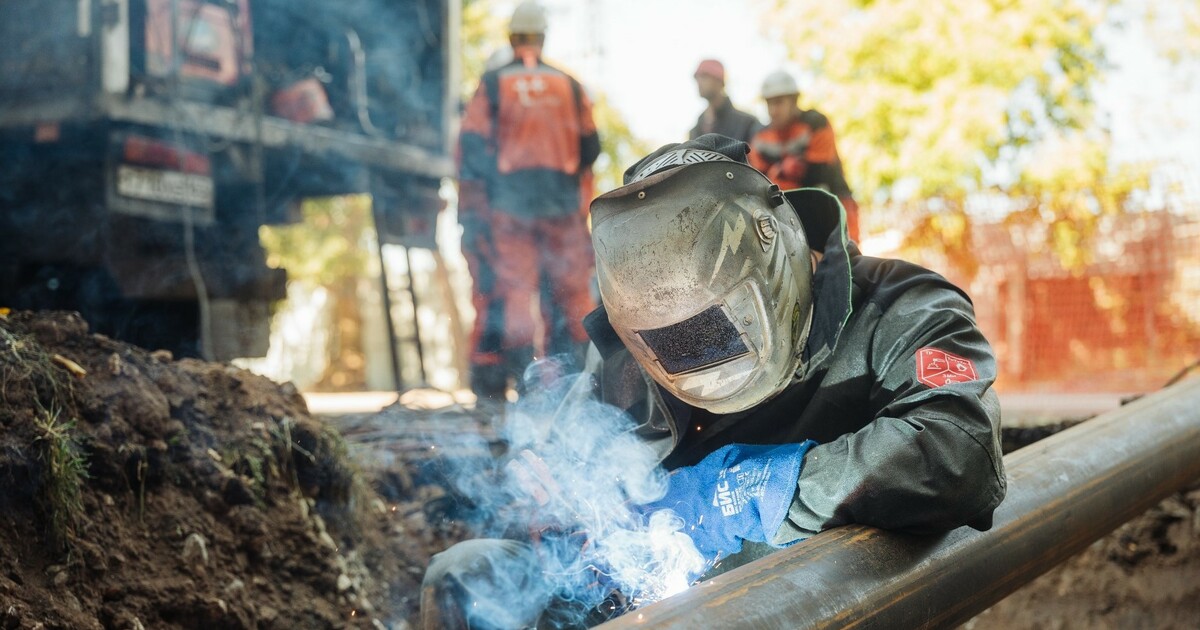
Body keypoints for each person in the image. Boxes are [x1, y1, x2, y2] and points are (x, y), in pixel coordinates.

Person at [422, 134, 1006, 628]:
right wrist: (560, 491)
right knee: (464, 578)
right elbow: (572, 448)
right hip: (659, 587)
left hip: (808, 592)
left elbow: (960, 449)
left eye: (712, 330)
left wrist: (744, 493)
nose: (696, 357)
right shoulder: (630, 340)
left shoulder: (901, 305)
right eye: (670, 342)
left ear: (771, 248)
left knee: (740, 575)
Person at [458, 1, 601, 398]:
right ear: (542, 36)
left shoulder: (492, 83)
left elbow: (471, 146)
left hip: (512, 210)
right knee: (572, 296)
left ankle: (527, 390)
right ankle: (583, 389)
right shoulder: (569, 84)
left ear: (511, 37)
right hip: (562, 210)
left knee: (516, 295)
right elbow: (591, 147)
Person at [749, 70, 861, 242]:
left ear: (794, 101)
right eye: (769, 104)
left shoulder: (816, 123)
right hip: (790, 218)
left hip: (835, 205)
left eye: (778, 103)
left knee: (849, 262)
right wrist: (783, 169)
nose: (773, 110)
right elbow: (759, 181)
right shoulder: (761, 137)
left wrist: (780, 172)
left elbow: (819, 171)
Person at [689, 59, 762, 143]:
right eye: (697, 78)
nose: (699, 82)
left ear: (719, 80)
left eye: (704, 77)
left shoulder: (747, 123)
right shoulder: (696, 129)